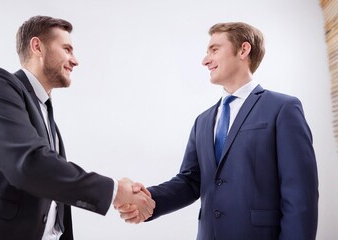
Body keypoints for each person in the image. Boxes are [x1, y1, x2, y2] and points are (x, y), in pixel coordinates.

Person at [0, 15, 154, 240]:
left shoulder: (47, 115)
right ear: (37, 46)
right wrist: (115, 191)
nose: (75, 60)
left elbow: (51, 185)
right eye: (67, 49)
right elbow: (29, 163)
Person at [119, 22, 318, 239]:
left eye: (214, 49)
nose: (205, 60)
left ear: (243, 50)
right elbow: (190, 181)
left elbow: (300, 194)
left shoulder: (282, 108)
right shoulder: (203, 121)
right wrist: (148, 200)